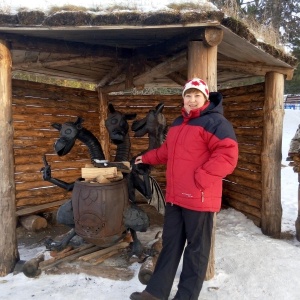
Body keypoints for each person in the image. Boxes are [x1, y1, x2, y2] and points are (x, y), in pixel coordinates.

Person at [130, 78, 239, 300]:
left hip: (199, 197)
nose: (192, 100)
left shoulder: (216, 123)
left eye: (196, 96)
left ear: (205, 98)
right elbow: (168, 151)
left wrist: (202, 177)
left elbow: (228, 155)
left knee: (196, 253)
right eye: (188, 96)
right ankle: (156, 292)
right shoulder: (180, 122)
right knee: (170, 245)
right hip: (176, 197)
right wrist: (147, 157)